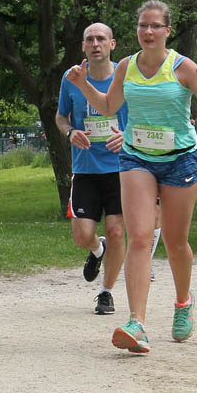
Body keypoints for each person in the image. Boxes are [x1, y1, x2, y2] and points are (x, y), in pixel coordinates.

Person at [67, 0, 197, 353]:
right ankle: (136, 324)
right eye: (143, 25)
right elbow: (109, 106)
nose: (148, 31)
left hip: (179, 161)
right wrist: (81, 85)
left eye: (156, 26)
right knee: (138, 237)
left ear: (168, 31)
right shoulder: (127, 66)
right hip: (136, 157)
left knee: (175, 242)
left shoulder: (183, 67)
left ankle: (183, 302)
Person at [56, 22, 128, 315]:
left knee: (116, 231)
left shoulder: (125, 77)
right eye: (89, 39)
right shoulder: (71, 77)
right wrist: (70, 131)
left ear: (112, 44)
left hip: (120, 167)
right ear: (83, 46)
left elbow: (142, 117)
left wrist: (127, 135)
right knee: (82, 236)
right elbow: (61, 117)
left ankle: (106, 292)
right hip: (85, 167)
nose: (95, 43)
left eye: (101, 38)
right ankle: (97, 249)